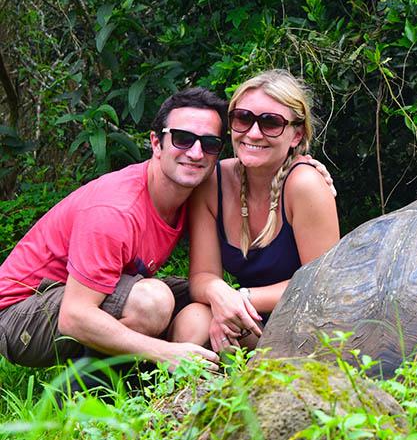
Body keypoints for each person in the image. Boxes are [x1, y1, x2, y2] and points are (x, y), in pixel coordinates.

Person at [0, 88, 227, 370]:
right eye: (182, 139)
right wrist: (164, 352)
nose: (195, 153)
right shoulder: (115, 209)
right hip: (22, 313)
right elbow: (74, 316)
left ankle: (161, 383)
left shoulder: (193, 192)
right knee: (152, 302)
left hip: (92, 291)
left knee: (205, 301)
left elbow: (250, 172)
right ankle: (85, 391)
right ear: (156, 143)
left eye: (209, 144)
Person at [171, 70, 339, 353]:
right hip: (251, 316)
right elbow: (202, 276)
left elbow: (322, 284)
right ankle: (196, 392)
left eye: (271, 123)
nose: (253, 133)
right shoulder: (214, 182)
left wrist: (241, 298)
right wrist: (220, 296)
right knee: (194, 319)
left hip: (306, 322)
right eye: (243, 118)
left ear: (296, 135)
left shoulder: (304, 184)